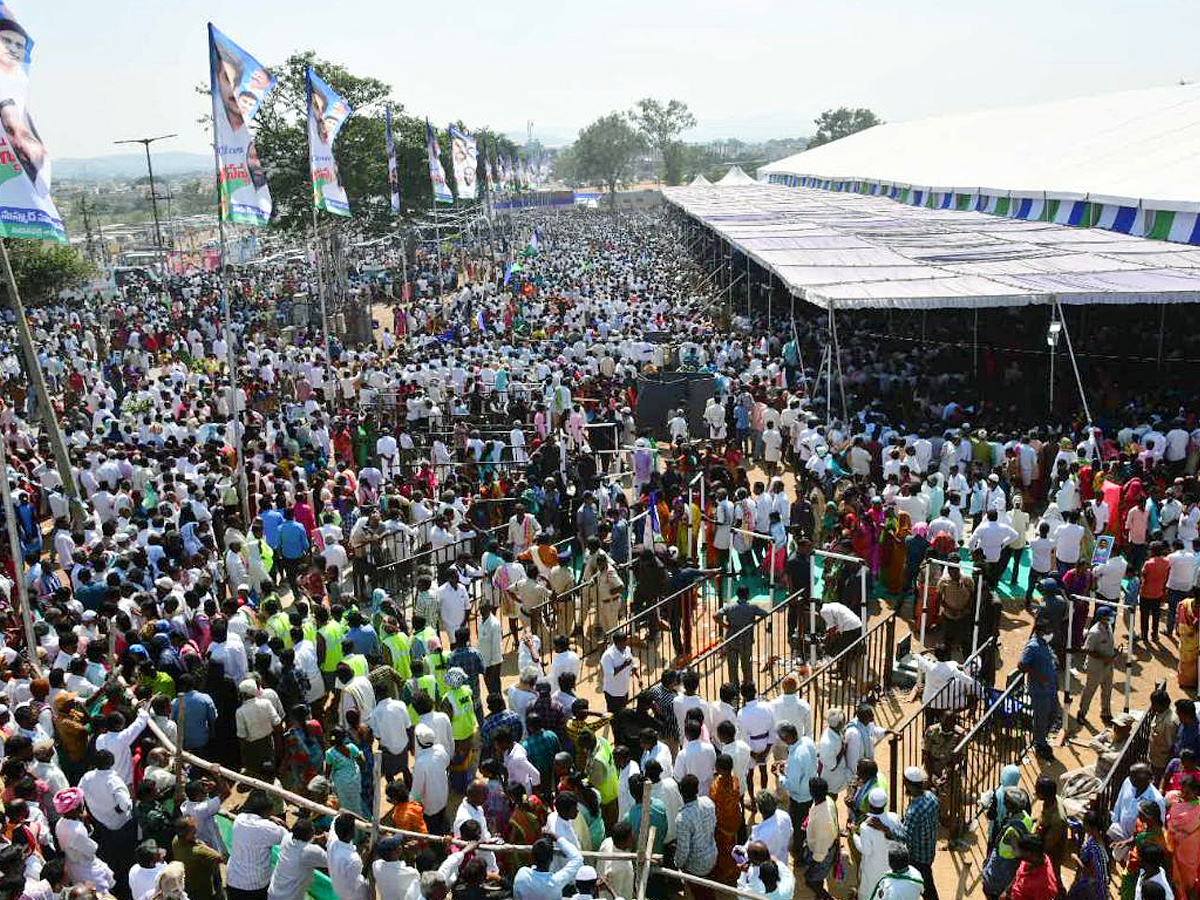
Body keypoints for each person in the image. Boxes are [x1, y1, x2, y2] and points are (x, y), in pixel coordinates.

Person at [226, 791, 287, 900]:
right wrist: (277, 822)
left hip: (233, 880)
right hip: (255, 885)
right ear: (266, 811)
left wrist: (269, 818)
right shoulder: (269, 829)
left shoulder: (240, 819)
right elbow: (287, 837)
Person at [1018, 617, 1060, 760]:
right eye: (1048, 631)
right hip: (1040, 690)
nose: (1050, 633)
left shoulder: (1044, 643)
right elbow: (1021, 665)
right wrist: (1038, 675)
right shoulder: (1033, 646)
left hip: (1051, 687)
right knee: (1041, 718)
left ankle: (1041, 737)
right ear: (1041, 631)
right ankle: (1040, 743)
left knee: (1053, 715)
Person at [803, 776, 839, 900]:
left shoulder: (823, 820)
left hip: (822, 854)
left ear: (812, 793)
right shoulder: (826, 800)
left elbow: (821, 846)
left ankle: (826, 897)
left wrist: (815, 862)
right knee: (817, 879)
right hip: (823, 848)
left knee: (811, 881)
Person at [1166, 774, 1200, 898]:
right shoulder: (1175, 802)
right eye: (1182, 791)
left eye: (1187, 792)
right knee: (1176, 876)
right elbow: (1170, 821)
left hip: (1191, 850)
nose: (1184, 795)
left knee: (1190, 878)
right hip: (1175, 848)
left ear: (1195, 791)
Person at [1007, 834, 1058, 900]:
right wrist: (1007, 892)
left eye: (1015, 849)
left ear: (1029, 853)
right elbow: (1018, 876)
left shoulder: (1043, 886)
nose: (1012, 852)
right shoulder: (1031, 860)